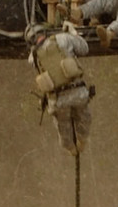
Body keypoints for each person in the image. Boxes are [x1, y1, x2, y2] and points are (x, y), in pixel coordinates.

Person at [29, 21, 94, 153]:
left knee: (63, 127)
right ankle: (82, 140)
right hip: (78, 93)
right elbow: (84, 48)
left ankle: (70, 147)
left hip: (58, 101)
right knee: (84, 119)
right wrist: (73, 33)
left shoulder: (33, 57)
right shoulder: (63, 38)